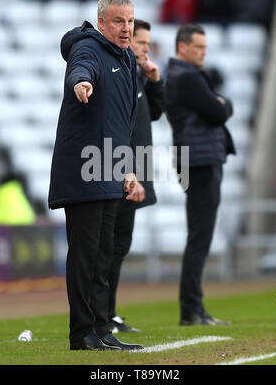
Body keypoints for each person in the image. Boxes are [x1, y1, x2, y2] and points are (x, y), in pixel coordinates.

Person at [48, 0, 143, 351]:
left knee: (103, 255)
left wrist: (127, 169)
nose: (126, 28)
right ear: (102, 22)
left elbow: (121, 124)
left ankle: (102, 329)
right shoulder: (88, 48)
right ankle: (82, 334)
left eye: (130, 21)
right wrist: (80, 82)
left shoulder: (126, 58)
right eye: (118, 21)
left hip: (109, 169)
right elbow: (80, 66)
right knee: (86, 256)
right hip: (85, 170)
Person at [165, 24, 236, 326]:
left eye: (206, 48)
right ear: (182, 47)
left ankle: (192, 308)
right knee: (200, 237)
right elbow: (219, 111)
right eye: (199, 47)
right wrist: (221, 102)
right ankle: (191, 309)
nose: (204, 53)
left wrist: (221, 102)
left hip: (194, 158)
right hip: (200, 160)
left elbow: (219, 106)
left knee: (199, 235)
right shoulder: (188, 78)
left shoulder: (180, 76)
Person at [107, 19, 166, 333]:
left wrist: (155, 81)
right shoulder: (123, 76)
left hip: (134, 172)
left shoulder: (139, 77)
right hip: (118, 173)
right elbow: (119, 129)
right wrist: (128, 172)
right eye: (143, 43)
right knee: (110, 247)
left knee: (119, 246)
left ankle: (109, 313)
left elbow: (154, 114)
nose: (147, 48)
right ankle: (100, 315)